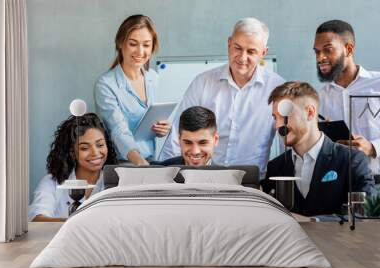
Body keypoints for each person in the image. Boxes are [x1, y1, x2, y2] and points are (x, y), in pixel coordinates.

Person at [160, 17, 284, 177]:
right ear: (229, 43)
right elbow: (178, 135)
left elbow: (285, 146)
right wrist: (167, 180)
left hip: (251, 184)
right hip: (203, 179)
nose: (242, 57)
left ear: (263, 53)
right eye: (237, 48)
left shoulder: (277, 89)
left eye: (251, 51)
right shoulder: (203, 83)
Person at [261, 81, 375, 216]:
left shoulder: (352, 160)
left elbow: (364, 216)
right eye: (275, 118)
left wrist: (315, 222)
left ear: (310, 112)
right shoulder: (275, 167)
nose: (278, 125)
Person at [95, 14, 171, 166]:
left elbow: (153, 122)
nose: (140, 51)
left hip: (151, 160)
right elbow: (118, 130)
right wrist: (141, 164)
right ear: (120, 44)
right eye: (133, 44)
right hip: (124, 165)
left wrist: (163, 128)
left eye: (146, 45)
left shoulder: (154, 78)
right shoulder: (106, 85)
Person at [314, 19, 380, 174]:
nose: (319, 58)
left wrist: (372, 148)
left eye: (327, 49)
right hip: (338, 187)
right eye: (317, 52)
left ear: (349, 49)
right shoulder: (320, 98)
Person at [29, 113, 118, 222]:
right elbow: (37, 219)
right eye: (85, 148)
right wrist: (76, 225)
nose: (95, 153)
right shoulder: (52, 182)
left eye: (100, 145)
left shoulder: (117, 183)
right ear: (72, 152)